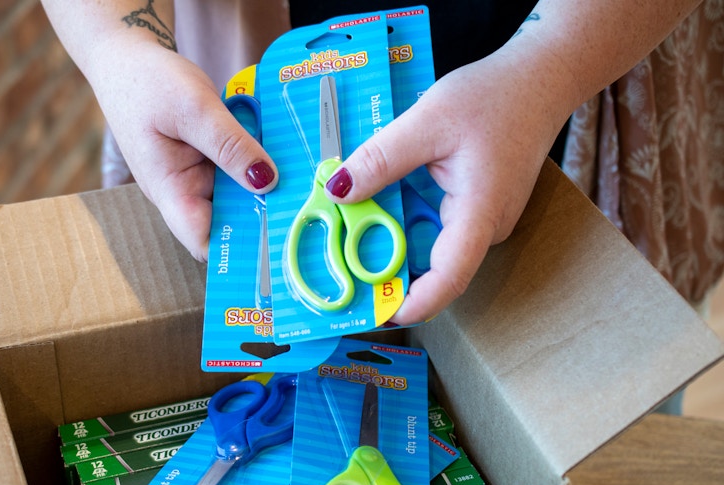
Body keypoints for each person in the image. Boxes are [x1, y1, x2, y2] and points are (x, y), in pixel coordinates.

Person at [41, 1, 723, 331]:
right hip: (241, 97)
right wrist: (115, 44)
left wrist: (549, 70)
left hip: (576, 61)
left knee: (607, 451)